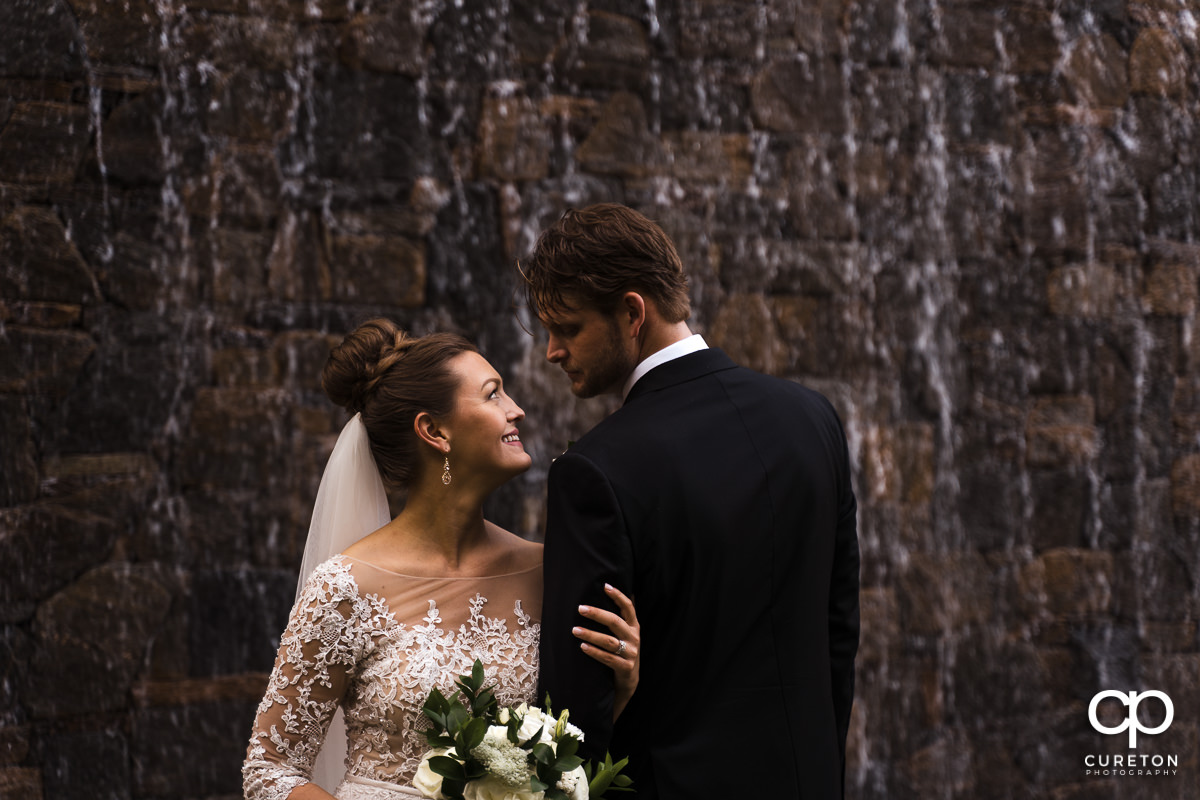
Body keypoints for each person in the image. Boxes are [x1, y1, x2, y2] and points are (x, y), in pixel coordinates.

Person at [520, 204, 860, 799]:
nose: (552, 351)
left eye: (568, 328)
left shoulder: (596, 470)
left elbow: (577, 709)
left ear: (631, 313)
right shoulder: (813, 419)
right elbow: (838, 632)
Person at [243, 319, 640, 800]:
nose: (516, 410)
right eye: (493, 394)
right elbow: (270, 771)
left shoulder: (550, 573)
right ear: (434, 431)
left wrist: (619, 688)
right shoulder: (345, 587)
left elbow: (573, 751)